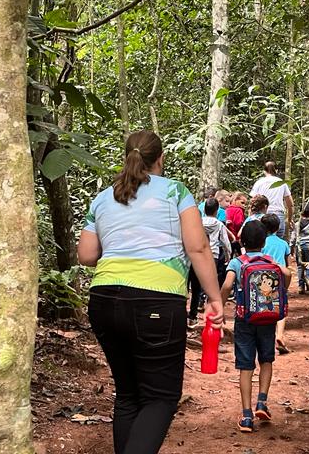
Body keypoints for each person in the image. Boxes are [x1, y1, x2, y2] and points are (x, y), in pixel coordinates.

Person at [77, 130, 225, 454]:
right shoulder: (176, 191)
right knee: (160, 397)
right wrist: (215, 299)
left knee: (129, 394)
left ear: (127, 156)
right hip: (155, 300)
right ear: (161, 159)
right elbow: (198, 248)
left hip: (103, 300)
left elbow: (86, 255)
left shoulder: (103, 198)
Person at [220, 221, 291, 433]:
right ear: (263, 242)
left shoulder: (237, 263)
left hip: (245, 321)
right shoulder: (270, 261)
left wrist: (219, 306)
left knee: (246, 365)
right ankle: (262, 402)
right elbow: (287, 276)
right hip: (268, 319)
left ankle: (247, 415)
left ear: (241, 241)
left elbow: (226, 285)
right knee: (266, 359)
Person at [188, 197, 231, 327]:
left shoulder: (198, 222)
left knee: (195, 287)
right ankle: (211, 316)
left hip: (196, 256)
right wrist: (228, 256)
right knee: (212, 287)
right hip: (213, 257)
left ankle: (192, 316)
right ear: (217, 211)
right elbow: (225, 242)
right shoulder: (219, 224)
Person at [261, 213, 294, 354]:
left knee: (264, 306)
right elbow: (288, 264)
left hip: (263, 278)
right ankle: (279, 336)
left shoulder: (261, 242)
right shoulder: (283, 243)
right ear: (278, 227)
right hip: (279, 276)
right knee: (280, 308)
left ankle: (264, 338)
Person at [250, 161, 293, 239]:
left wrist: (251, 218)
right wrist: (290, 219)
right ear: (276, 170)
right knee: (278, 242)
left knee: (262, 242)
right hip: (278, 215)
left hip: (262, 215)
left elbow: (252, 202)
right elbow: (290, 204)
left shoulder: (259, 182)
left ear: (264, 171)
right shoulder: (281, 183)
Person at [295, 204, 309, 295]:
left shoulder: (297, 224)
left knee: (300, 266)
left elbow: (293, 237)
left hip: (299, 247)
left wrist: (292, 246)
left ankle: (301, 286)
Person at [226, 192, 248, 256]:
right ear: (235, 200)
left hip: (228, 238)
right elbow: (238, 223)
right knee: (242, 256)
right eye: (242, 203)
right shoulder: (238, 210)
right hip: (236, 238)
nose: (244, 205)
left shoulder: (227, 209)